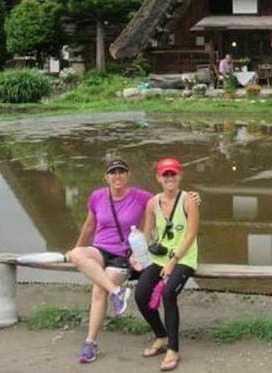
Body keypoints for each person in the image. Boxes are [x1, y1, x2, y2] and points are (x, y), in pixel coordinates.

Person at [66, 158, 152, 364]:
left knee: (98, 290)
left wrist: (192, 198)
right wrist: (76, 249)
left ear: (128, 175)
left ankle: (90, 342)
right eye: (113, 172)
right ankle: (117, 292)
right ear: (106, 177)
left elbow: (167, 201)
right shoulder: (97, 197)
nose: (117, 176)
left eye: (121, 171)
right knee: (77, 254)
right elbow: (89, 227)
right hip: (99, 249)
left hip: (123, 255)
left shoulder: (141, 197)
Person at [134, 157, 199, 372]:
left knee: (168, 294)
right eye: (165, 175)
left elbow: (190, 235)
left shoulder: (188, 200)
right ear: (158, 178)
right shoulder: (152, 203)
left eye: (173, 174)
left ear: (180, 176)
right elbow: (147, 232)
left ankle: (173, 349)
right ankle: (161, 336)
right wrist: (137, 253)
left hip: (184, 257)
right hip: (160, 257)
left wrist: (174, 261)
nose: (169, 178)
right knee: (141, 294)